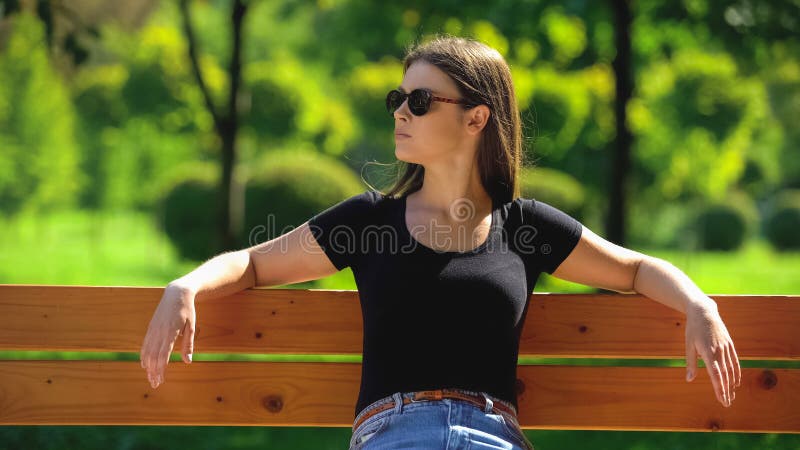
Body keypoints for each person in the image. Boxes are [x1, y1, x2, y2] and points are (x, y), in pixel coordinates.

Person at [140, 35, 741, 450]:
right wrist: (184, 285)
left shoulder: (524, 228)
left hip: (492, 436)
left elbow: (635, 268)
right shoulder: (368, 222)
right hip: (393, 434)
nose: (401, 111)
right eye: (396, 98)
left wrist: (698, 304)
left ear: (477, 118)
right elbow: (251, 262)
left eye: (420, 101)